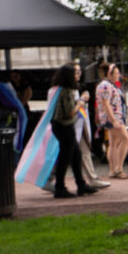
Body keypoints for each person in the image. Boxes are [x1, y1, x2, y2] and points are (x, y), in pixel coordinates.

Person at [49, 64, 98, 199]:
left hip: (63, 126)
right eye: (74, 74)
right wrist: (81, 102)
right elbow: (70, 112)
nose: (77, 75)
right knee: (65, 158)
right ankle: (60, 187)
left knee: (76, 155)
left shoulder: (60, 89)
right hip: (64, 126)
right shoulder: (66, 91)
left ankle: (81, 184)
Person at [95, 63, 128, 178]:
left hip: (112, 117)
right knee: (126, 139)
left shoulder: (107, 85)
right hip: (113, 118)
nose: (119, 75)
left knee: (113, 143)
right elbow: (106, 104)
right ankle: (118, 168)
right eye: (116, 73)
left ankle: (113, 169)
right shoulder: (106, 85)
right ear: (109, 74)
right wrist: (114, 120)